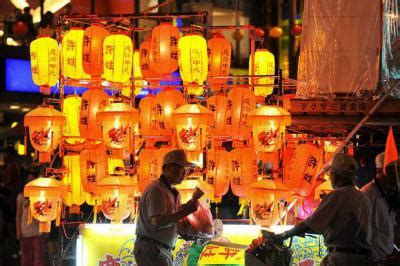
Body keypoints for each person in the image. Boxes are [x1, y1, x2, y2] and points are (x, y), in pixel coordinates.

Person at [272, 153, 372, 266]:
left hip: (342, 258)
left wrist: (283, 235)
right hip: (363, 258)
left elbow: (310, 224)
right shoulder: (363, 197)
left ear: (334, 175)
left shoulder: (336, 196)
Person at [134, 149, 200, 266]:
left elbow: (173, 219)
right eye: (181, 168)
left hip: (162, 249)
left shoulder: (174, 192)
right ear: (167, 168)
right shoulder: (156, 189)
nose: (185, 173)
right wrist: (187, 211)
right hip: (152, 249)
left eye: (186, 169)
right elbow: (157, 222)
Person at [361, 152, 398, 263]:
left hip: (386, 258)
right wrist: (376, 258)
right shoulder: (366, 194)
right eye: (394, 169)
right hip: (373, 261)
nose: (397, 174)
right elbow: (360, 232)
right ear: (382, 170)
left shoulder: (390, 194)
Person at [16, 172, 44, 266]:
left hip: (37, 230)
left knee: (38, 260)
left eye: (32, 179)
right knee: (26, 259)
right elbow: (18, 215)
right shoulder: (21, 196)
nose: (30, 181)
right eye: (29, 179)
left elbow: (44, 213)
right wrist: (18, 231)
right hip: (25, 231)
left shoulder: (40, 195)